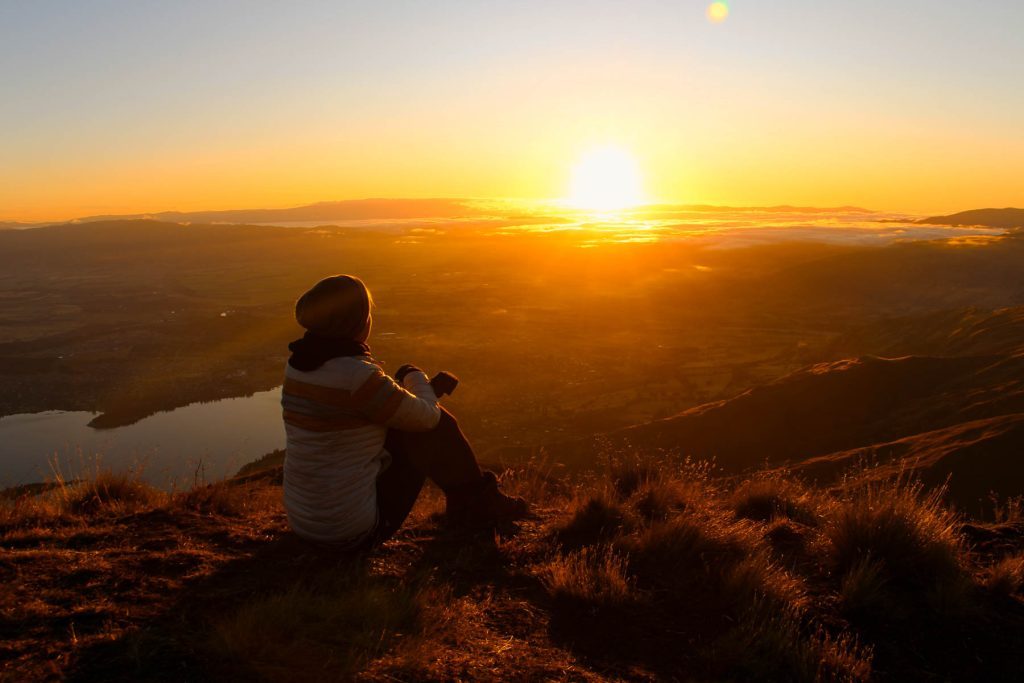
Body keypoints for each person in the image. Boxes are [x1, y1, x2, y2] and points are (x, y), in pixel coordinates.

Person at [280, 274, 528, 551]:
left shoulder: (298, 366)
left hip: (306, 523)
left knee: (406, 418)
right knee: (436, 424)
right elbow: (427, 418)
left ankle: (475, 504)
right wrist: (414, 374)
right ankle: (481, 505)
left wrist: (420, 391)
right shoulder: (357, 376)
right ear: (358, 322)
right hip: (350, 533)